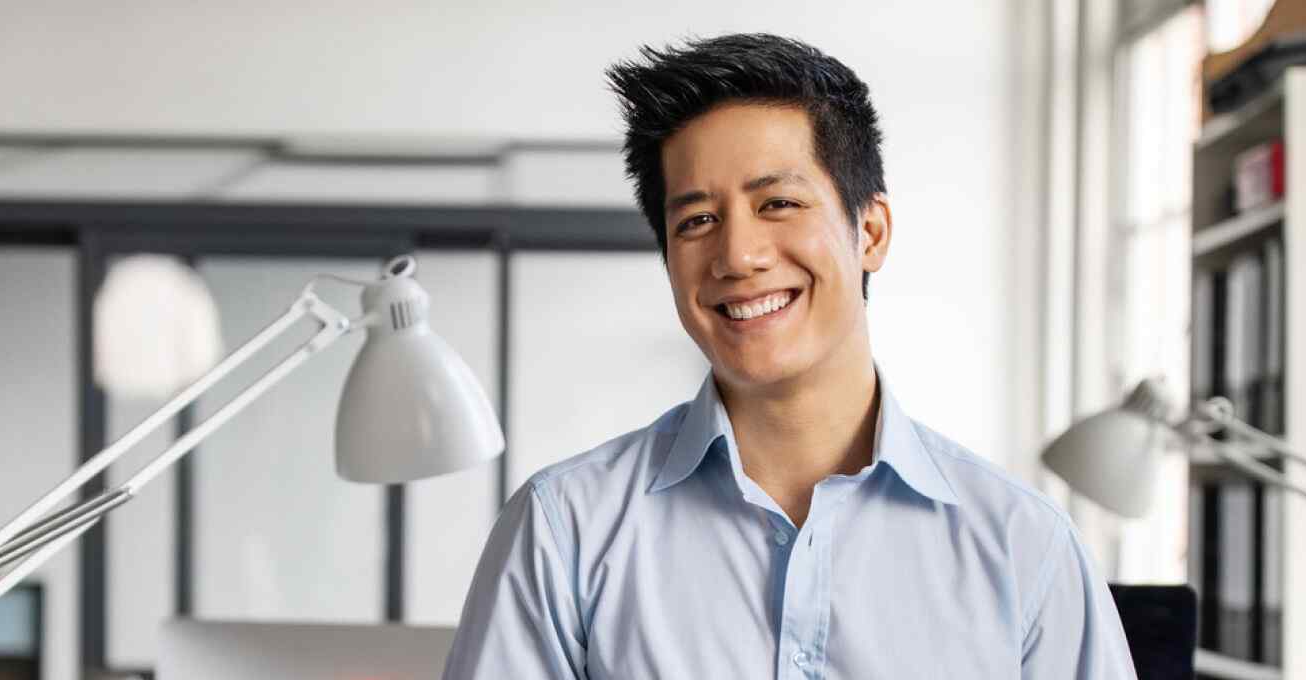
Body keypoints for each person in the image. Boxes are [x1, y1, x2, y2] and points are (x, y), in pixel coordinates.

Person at [442, 34, 1137, 679]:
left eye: (776, 202)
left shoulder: (1024, 548)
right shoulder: (565, 528)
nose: (738, 256)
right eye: (697, 221)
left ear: (870, 231)